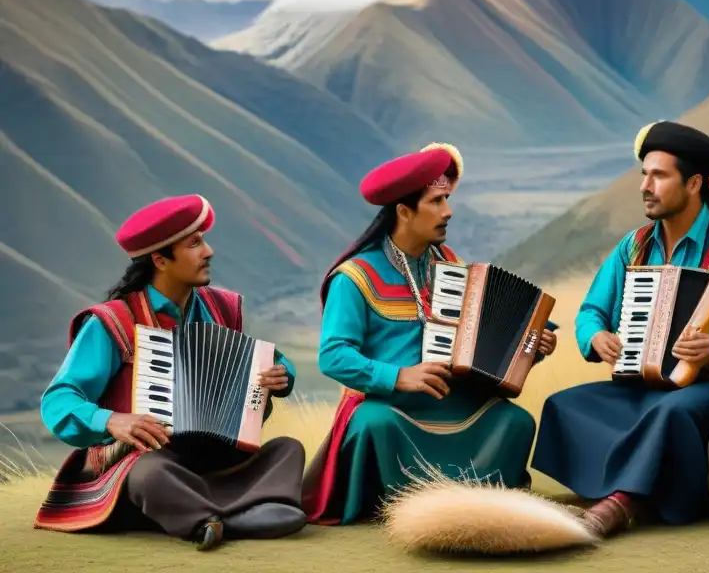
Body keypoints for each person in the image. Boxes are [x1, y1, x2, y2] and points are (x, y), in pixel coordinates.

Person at [530, 121, 709, 537]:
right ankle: (640, 488)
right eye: (643, 174)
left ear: (694, 183)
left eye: (659, 175)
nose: (645, 186)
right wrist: (596, 337)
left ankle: (620, 503)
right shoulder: (632, 247)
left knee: (670, 411)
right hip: (639, 385)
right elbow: (591, 311)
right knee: (562, 404)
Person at [302, 143, 558, 526]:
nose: (448, 211)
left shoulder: (450, 265)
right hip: (389, 404)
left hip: (452, 397)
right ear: (405, 211)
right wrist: (399, 376)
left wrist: (531, 344)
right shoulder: (354, 277)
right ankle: (405, 510)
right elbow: (333, 355)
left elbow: (480, 341)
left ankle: (481, 507)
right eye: (437, 202)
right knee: (377, 426)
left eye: (447, 199)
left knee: (514, 421)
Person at [34, 194, 308, 551]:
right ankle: (239, 514)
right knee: (149, 475)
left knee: (288, 448)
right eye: (194, 244)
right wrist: (112, 420)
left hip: (213, 458)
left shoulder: (222, 307)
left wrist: (281, 375)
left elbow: (268, 359)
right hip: (144, 459)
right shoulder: (113, 322)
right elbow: (58, 400)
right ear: (160, 260)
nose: (208, 252)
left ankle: (210, 518)